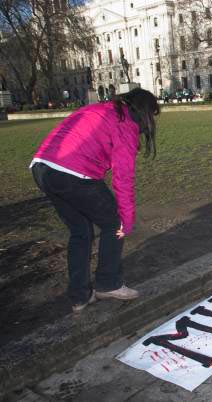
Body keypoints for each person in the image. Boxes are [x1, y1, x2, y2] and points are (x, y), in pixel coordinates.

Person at [30, 88, 160, 312]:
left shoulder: (99, 109)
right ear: (144, 111)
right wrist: (125, 221)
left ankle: (80, 297)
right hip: (73, 173)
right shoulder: (125, 125)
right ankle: (108, 284)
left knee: (81, 231)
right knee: (114, 224)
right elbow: (123, 178)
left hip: (42, 168)